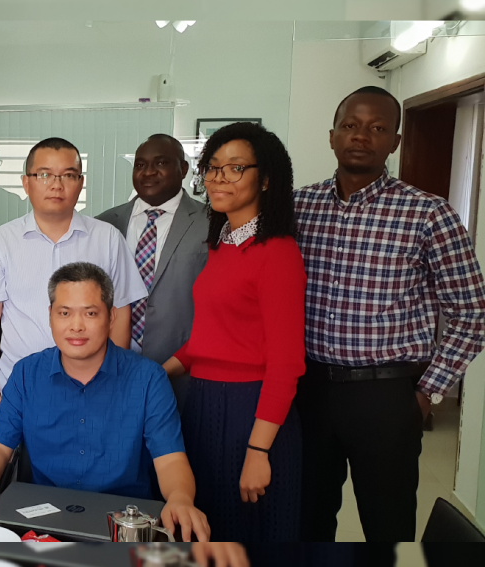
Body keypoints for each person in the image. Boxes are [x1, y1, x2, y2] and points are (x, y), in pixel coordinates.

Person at [294, 86, 485, 542]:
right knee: (304, 521)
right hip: (308, 391)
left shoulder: (428, 213)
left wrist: (428, 392)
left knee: (387, 527)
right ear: (332, 136)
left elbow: (471, 313)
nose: (361, 136)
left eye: (378, 128)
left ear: (395, 142)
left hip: (386, 395)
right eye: (350, 125)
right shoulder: (298, 207)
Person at [0, 263, 209, 540]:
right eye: (64, 313)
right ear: (50, 316)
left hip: (125, 528)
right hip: (41, 526)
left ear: (111, 317)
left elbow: (171, 460)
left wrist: (180, 498)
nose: (76, 326)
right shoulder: (27, 373)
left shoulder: (149, 379)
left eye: (90, 313)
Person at [162, 122, 306, 542]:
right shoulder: (222, 242)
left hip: (251, 411)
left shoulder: (277, 252)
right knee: (207, 532)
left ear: (266, 179)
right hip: (204, 404)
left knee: (251, 539)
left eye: (235, 167)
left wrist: (259, 450)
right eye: (212, 167)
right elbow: (208, 341)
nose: (219, 177)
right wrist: (153, 374)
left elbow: (285, 364)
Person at [0, 137, 146, 428]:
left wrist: (114, 386)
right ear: (26, 183)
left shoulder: (107, 239)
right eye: (44, 175)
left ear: (80, 183)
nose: (56, 185)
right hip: (20, 391)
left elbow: (120, 315)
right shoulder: (0, 242)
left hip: (94, 389)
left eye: (68, 175)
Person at [96, 134, 208, 404]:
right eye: (140, 165)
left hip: (185, 371)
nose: (148, 172)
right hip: (111, 368)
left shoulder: (212, 223)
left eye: (161, 163)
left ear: (183, 169)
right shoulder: (105, 224)